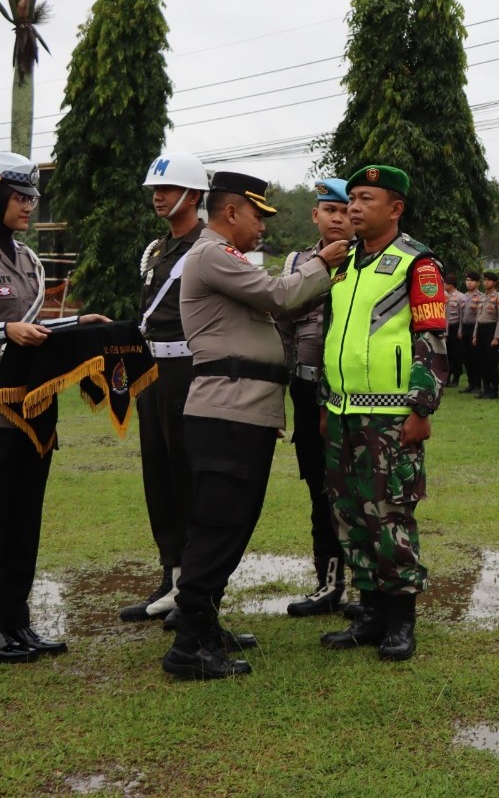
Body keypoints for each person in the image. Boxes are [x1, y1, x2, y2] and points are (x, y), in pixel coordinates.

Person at [161, 171, 349, 680]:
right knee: (218, 525)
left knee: (232, 523)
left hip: (244, 410)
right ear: (231, 212)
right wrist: (323, 263)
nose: (263, 226)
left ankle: (204, 624)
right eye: (257, 215)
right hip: (227, 411)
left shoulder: (227, 257)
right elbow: (279, 296)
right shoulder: (212, 254)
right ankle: (189, 644)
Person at [0, 152, 108, 662]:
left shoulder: (29, 259)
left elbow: (35, 331)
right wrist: (4, 330)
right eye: (18, 197)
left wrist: (76, 324)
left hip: (34, 410)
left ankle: (17, 622)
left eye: (32, 197)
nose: (29, 205)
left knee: (24, 521)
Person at [316, 164, 448, 662]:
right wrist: (326, 401)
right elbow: (331, 335)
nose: (353, 207)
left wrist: (421, 407)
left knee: (390, 514)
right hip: (342, 411)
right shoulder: (342, 261)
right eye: (351, 198)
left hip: (391, 417)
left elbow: (431, 338)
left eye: (366, 199)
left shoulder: (418, 263)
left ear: (395, 208)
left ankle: (400, 620)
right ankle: (369, 612)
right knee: (350, 513)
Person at [121, 151, 208, 623]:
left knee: (186, 475)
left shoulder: (206, 247)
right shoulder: (157, 250)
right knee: (156, 473)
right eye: (155, 190)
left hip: (188, 372)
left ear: (193, 196)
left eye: (168, 189)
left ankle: (193, 585)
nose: (158, 197)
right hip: (152, 373)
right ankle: (170, 575)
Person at [276, 178, 355, 617]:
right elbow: (283, 327)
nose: (338, 218)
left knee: (357, 488)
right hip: (306, 390)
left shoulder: (367, 259)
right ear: (316, 215)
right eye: (330, 210)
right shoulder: (297, 262)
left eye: (345, 211)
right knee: (318, 487)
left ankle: (368, 587)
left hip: (349, 393)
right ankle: (328, 583)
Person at [472, 266, 499, 399]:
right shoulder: (481, 297)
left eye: (489, 280)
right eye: (484, 280)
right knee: (481, 361)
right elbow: (478, 317)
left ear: (494, 282)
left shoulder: (498, 297)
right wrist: (475, 334)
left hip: (491, 329)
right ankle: (485, 388)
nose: (486, 282)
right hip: (481, 329)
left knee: (491, 361)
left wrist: (497, 337)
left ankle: (494, 389)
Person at [458, 271, 483, 395]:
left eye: (472, 281)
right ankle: (470, 383)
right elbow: (461, 316)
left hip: (475, 328)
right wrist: (460, 330)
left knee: (475, 358)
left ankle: (478, 384)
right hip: (465, 328)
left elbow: (479, 316)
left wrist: (475, 333)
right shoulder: (463, 297)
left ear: (478, 283)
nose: (469, 283)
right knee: (466, 357)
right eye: (467, 280)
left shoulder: (481, 297)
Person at [443, 273, 466, 387]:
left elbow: (462, 316)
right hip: (445, 327)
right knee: (445, 354)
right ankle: (446, 377)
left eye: (445, 283)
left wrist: (460, 331)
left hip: (455, 327)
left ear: (450, 284)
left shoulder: (461, 297)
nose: (443, 285)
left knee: (456, 354)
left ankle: (456, 378)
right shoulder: (443, 295)